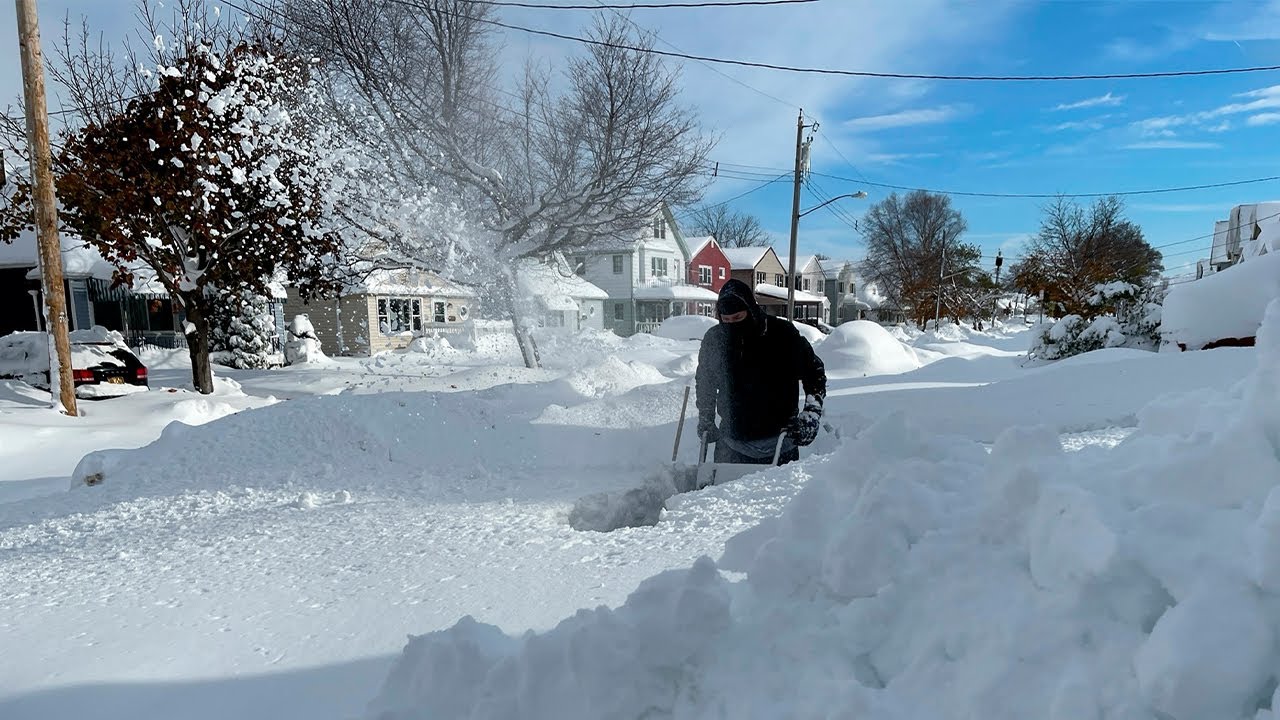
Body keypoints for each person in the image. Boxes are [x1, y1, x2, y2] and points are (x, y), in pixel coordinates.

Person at [695, 279, 827, 466]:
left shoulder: (782, 335)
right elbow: (706, 382)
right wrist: (705, 417)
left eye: (738, 318)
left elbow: (814, 372)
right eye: (726, 320)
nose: (732, 324)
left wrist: (811, 414)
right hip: (731, 444)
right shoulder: (715, 340)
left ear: (751, 310)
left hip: (781, 443)